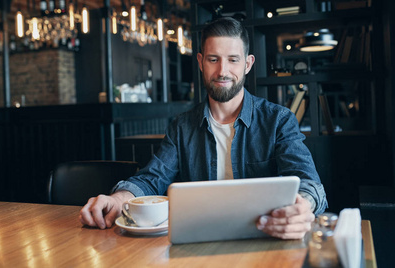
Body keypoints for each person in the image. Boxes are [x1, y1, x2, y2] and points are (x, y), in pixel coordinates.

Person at [80, 17, 327, 240]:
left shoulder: (278, 120)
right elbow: (152, 178)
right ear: (200, 62)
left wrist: (302, 206)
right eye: (213, 59)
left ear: (248, 64)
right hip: (199, 242)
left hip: (263, 239)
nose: (222, 71)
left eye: (233, 60)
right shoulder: (181, 127)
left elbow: (309, 183)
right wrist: (118, 199)